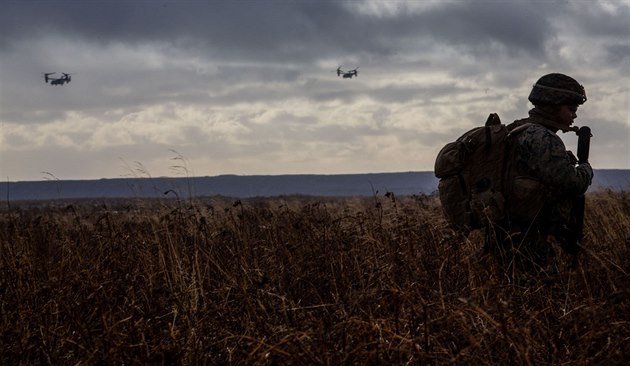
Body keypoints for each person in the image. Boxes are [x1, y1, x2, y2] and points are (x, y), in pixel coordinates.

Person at [488, 73, 594, 274]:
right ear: (554, 107)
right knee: (540, 292)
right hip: (528, 238)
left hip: (506, 232)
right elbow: (570, 183)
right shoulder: (542, 137)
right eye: (571, 109)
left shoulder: (517, 129)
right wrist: (585, 169)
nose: (574, 115)